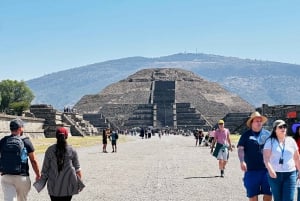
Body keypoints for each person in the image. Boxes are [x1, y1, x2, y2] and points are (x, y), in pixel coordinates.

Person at [37, 127, 83, 201]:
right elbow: (78, 169)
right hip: (68, 186)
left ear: (56, 136)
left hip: (53, 187)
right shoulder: (72, 150)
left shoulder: (50, 150)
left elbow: (45, 170)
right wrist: (79, 184)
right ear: (66, 136)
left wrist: (40, 182)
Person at [0, 118, 41, 201]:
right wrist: (38, 174)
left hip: (6, 176)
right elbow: (33, 161)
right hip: (22, 177)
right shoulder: (26, 141)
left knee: (9, 199)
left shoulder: (3, 141)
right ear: (20, 128)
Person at [237, 111, 272, 201]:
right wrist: (242, 161)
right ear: (252, 122)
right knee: (252, 195)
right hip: (251, 170)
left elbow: (274, 149)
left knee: (269, 194)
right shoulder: (246, 135)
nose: (259, 122)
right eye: (257, 121)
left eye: (260, 121)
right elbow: (240, 149)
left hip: (266, 170)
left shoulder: (268, 134)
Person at [263, 120, 300, 201]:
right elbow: (266, 159)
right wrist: (270, 170)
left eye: (284, 126)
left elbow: (297, 158)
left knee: (288, 199)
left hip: (290, 174)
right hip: (275, 174)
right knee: (278, 199)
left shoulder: (291, 141)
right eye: (280, 127)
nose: (283, 128)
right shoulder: (270, 141)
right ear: (275, 129)